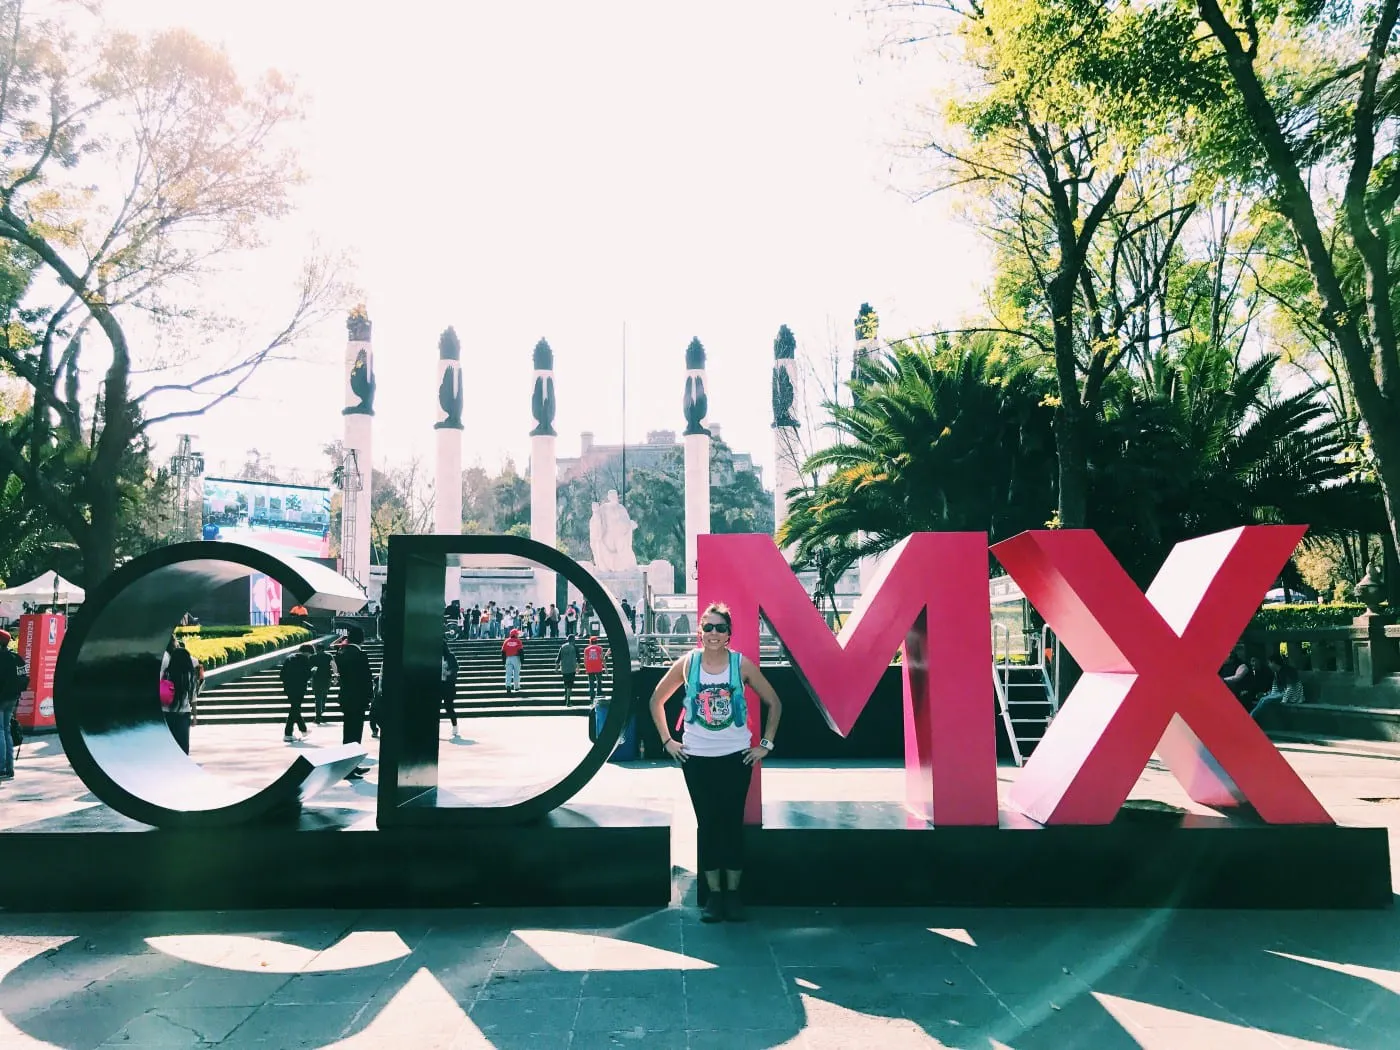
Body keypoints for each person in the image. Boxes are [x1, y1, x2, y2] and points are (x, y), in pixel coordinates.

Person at [648, 603, 782, 922]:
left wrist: (765, 744)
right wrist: (668, 741)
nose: (713, 634)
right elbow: (656, 699)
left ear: (728, 634)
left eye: (720, 628)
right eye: (708, 627)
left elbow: (775, 702)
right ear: (700, 632)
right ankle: (714, 897)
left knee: (731, 825)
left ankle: (733, 896)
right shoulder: (688, 663)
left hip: (736, 758)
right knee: (708, 826)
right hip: (697, 760)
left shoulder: (741, 665)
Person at [333, 631, 374, 779]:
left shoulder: (342, 653)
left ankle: (350, 766)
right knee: (355, 733)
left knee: (349, 733)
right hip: (358, 698)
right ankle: (350, 767)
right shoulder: (359, 655)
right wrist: (370, 696)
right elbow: (366, 678)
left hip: (347, 697)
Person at [162, 639, 198, 755]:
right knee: (183, 745)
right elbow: (193, 697)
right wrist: (195, 715)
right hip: (183, 713)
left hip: (167, 712)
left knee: (169, 743)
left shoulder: (167, 673)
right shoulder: (189, 676)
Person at [0, 629, 27, 784]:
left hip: (1, 699)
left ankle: (2, 768)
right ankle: (9, 768)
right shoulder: (17, 658)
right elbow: (24, 679)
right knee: (6, 730)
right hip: (12, 699)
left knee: (1, 731)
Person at [1251, 652, 1306, 720]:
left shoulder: (1288, 671)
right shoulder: (1276, 673)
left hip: (1293, 696)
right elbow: (1275, 688)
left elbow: (1291, 688)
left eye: (1269, 663)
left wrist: (1284, 701)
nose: (1268, 665)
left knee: (1265, 700)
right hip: (1283, 693)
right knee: (1263, 698)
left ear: (1273, 662)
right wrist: (1269, 695)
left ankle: (1251, 717)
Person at [280, 644, 313, 742]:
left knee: (295, 708)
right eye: (310, 654)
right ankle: (288, 733)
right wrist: (313, 672)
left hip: (288, 688)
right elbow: (307, 675)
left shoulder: (289, 658)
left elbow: (281, 674)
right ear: (307, 652)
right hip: (299, 688)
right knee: (295, 709)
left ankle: (303, 730)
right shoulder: (305, 660)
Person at [310, 645, 336, 725]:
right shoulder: (328, 656)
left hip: (316, 679)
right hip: (326, 678)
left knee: (318, 698)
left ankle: (318, 717)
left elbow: (310, 668)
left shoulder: (312, 657)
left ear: (317, 649)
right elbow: (333, 665)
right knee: (324, 695)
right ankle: (323, 709)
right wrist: (335, 676)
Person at [442, 640, 460, 736]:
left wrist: (449, 672)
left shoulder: (451, 656)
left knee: (449, 707)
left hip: (448, 685)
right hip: (438, 685)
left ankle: (455, 725)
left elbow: (456, 668)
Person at [583, 636, 608, 703]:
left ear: (590, 642)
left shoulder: (586, 649)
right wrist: (605, 668)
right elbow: (602, 658)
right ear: (596, 641)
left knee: (591, 682)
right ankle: (599, 693)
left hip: (590, 668)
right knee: (599, 681)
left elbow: (585, 660)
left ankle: (592, 696)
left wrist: (586, 668)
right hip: (598, 667)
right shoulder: (599, 648)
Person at [556, 636, 579, 707]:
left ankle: (566, 695)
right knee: (570, 684)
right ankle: (568, 701)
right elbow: (578, 658)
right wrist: (578, 668)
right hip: (572, 668)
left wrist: (556, 668)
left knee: (566, 682)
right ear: (573, 640)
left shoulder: (562, 647)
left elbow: (558, 658)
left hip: (564, 668)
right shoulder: (575, 647)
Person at [502, 628, 525, 693]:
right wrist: (522, 661)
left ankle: (508, 685)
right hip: (516, 658)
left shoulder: (506, 641)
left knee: (508, 673)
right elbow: (521, 651)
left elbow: (503, 652)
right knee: (516, 673)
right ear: (516, 634)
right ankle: (516, 686)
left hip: (508, 658)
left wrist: (503, 662)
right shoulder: (518, 641)